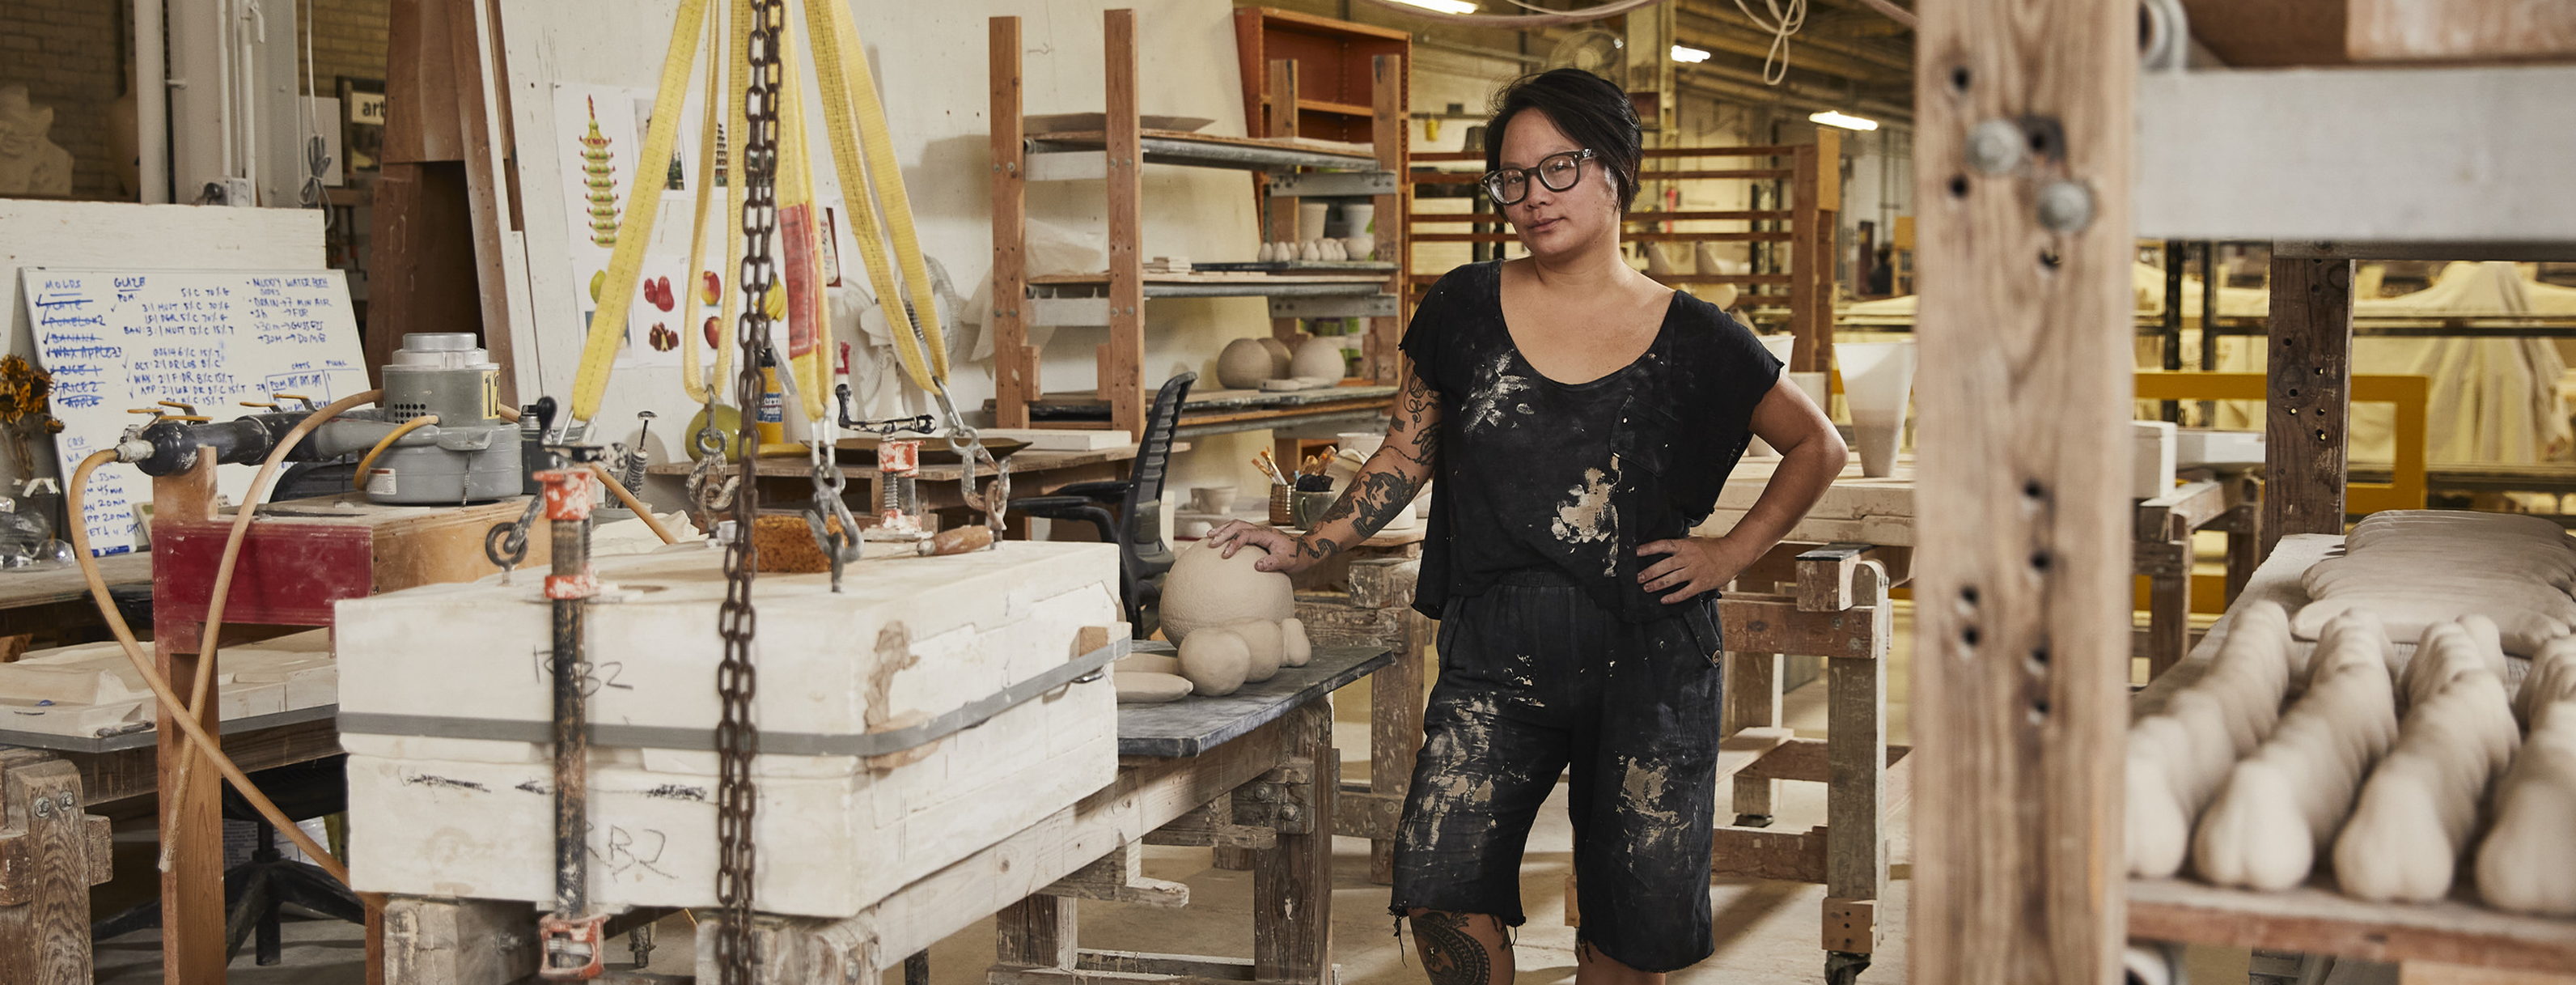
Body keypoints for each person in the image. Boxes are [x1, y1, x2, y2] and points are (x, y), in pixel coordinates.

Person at [1203, 68, 1847, 983]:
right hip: (1495, 649)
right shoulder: (1464, 307)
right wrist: (1309, 546)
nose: (1531, 199)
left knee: (1630, 930)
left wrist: (1732, 549)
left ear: (1614, 169)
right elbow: (1403, 451)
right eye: (1510, 178)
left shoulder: (1697, 335)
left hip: (1650, 653)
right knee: (1438, 880)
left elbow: (1816, 446)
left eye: (1557, 170)